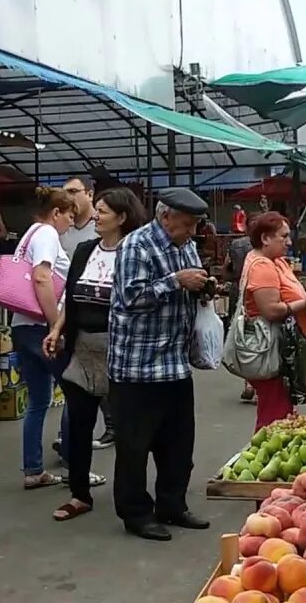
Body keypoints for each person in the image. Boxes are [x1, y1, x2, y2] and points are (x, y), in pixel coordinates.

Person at [108, 188, 211, 541]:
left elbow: (189, 283)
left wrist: (202, 286)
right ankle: (136, 513)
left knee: (179, 444)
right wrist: (176, 281)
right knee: (134, 448)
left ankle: (172, 504)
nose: (192, 232)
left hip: (175, 363)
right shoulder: (136, 246)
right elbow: (131, 297)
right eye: (186, 224)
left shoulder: (187, 247)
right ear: (165, 217)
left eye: (195, 225)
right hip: (138, 366)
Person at [42, 188, 147, 522]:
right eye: (97, 209)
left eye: (103, 211)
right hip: (83, 350)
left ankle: (131, 497)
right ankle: (79, 494)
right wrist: (58, 329)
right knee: (78, 425)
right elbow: (69, 300)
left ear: (122, 217)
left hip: (122, 354)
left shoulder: (134, 253)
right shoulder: (85, 250)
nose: (96, 216)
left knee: (130, 430)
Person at [7, 187, 83, 492]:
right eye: (69, 216)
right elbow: (41, 277)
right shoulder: (47, 235)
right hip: (41, 327)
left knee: (38, 401)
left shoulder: (28, 234)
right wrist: (55, 326)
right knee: (75, 393)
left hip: (22, 327)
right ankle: (72, 465)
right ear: (56, 213)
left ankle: (33, 469)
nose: (70, 223)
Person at [240, 213, 306, 430]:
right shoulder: (262, 265)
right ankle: (264, 459)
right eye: (284, 236)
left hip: (282, 347)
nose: (289, 242)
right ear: (265, 238)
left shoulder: (276, 261)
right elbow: (270, 311)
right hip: (270, 347)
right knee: (274, 417)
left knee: (280, 410)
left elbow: (291, 296)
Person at [53, 176, 114, 452]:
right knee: (76, 378)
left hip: (101, 317)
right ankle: (69, 439)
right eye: (64, 192)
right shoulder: (61, 229)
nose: (69, 197)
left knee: (99, 377)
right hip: (68, 309)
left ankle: (111, 428)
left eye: (74, 191)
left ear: (89, 194)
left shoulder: (100, 230)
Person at [224, 226, 256, 404]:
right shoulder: (265, 246)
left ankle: (248, 383)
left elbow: (226, 268)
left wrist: (231, 277)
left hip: (238, 288)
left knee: (242, 335)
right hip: (258, 290)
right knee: (256, 336)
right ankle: (254, 384)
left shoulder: (235, 244)